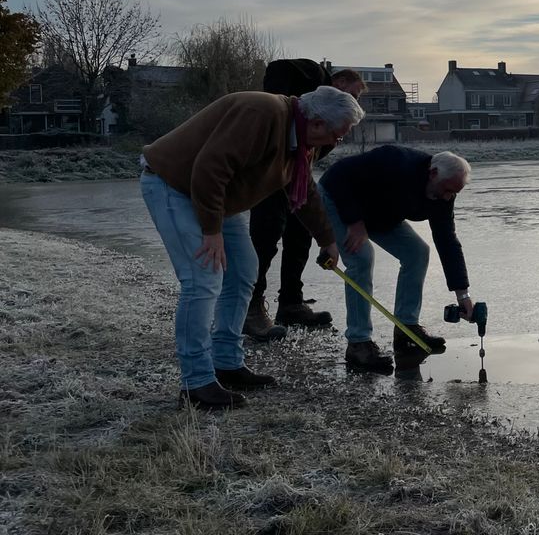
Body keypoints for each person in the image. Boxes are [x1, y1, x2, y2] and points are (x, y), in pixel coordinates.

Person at [140, 86, 365, 410]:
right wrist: (211, 231)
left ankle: (227, 363)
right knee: (203, 279)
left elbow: (304, 191)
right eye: (338, 134)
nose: (337, 142)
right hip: (173, 184)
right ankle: (196, 383)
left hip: (216, 197)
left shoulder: (302, 142)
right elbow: (210, 167)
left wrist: (327, 239)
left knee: (244, 271)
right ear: (317, 122)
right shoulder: (261, 114)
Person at [318, 145, 472, 372]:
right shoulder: (395, 161)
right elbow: (340, 176)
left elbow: (447, 240)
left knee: (417, 252)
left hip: (381, 213)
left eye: (454, 193)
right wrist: (355, 222)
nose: (448, 197)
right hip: (339, 198)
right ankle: (358, 343)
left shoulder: (444, 195)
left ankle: (406, 329)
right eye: (447, 190)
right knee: (361, 258)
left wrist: (462, 294)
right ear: (433, 173)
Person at [244, 60, 367, 339]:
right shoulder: (314, 75)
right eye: (354, 93)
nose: (354, 101)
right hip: (270, 171)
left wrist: (327, 239)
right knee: (266, 236)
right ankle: (250, 307)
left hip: (295, 176)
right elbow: (277, 68)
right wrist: (281, 113)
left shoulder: (334, 120)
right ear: (340, 82)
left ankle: (291, 303)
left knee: (300, 234)